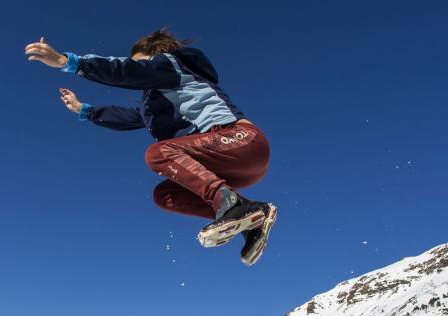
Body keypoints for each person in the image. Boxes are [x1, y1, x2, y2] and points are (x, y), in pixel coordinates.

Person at [25, 29, 277, 266]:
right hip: (231, 165)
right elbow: (129, 117)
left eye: (141, 62)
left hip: (241, 140)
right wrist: (85, 110)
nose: (143, 75)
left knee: (159, 153)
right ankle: (249, 216)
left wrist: (67, 62)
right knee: (165, 196)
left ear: (154, 55)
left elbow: (126, 71)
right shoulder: (158, 101)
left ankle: (231, 206)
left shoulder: (170, 64)